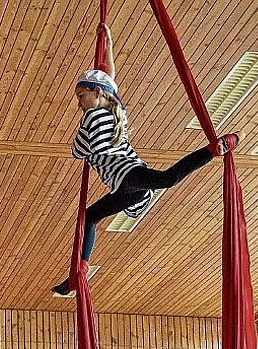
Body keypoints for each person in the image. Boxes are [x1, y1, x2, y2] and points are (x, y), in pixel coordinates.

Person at [52, 23, 244, 296]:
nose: (78, 103)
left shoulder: (92, 119)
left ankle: (214, 149)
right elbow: (109, 78)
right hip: (127, 185)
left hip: (127, 177)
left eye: (81, 96)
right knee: (91, 215)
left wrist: (82, 138)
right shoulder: (117, 109)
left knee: (163, 180)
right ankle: (77, 276)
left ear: (96, 94)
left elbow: (77, 151)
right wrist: (108, 45)